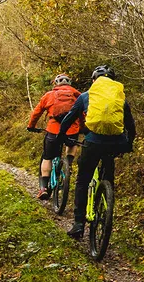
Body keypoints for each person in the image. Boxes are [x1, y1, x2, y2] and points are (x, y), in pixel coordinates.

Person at [55, 65, 136, 239]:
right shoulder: (120, 98)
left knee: (83, 180)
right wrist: (129, 144)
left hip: (93, 143)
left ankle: (78, 224)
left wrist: (63, 136)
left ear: (94, 81)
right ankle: (106, 210)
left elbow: (69, 119)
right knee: (108, 177)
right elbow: (131, 126)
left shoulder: (85, 96)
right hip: (116, 143)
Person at [27, 74, 82, 200]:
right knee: (72, 144)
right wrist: (83, 127)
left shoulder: (49, 95)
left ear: (56, 84)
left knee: (47, 157)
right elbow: (84, 112)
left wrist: (31, 126)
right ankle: (68, 163)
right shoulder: (78, 95)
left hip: (54, 131)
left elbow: (36, 112)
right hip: (71, 131)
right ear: (69, 84)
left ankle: (43, 189)